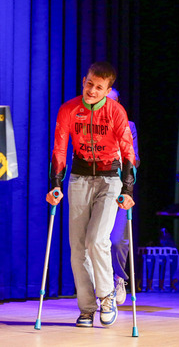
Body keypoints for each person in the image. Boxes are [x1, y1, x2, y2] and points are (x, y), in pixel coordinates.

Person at [46, 62, 136, 328]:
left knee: (96, 240)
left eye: (99, 87)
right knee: (77, 248)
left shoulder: (116, 111)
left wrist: (128, 188)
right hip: (79, 178)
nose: (92, 91)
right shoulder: (69, 109)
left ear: (108, 90)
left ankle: (107, 296)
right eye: (89, 84)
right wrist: (55, 184)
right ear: (84, 80)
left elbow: (128, 151)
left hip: (109, 179)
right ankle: (86, 309)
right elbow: (59, 148)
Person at [106, 88, 140, 305]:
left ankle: (118, 278)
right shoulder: (91, 125)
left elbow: (135, 159)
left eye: (113, 102)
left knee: (117, 240)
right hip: (96, 187)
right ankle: (102, 283)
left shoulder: (129, 126)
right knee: (95, 241)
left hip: (120, 188)